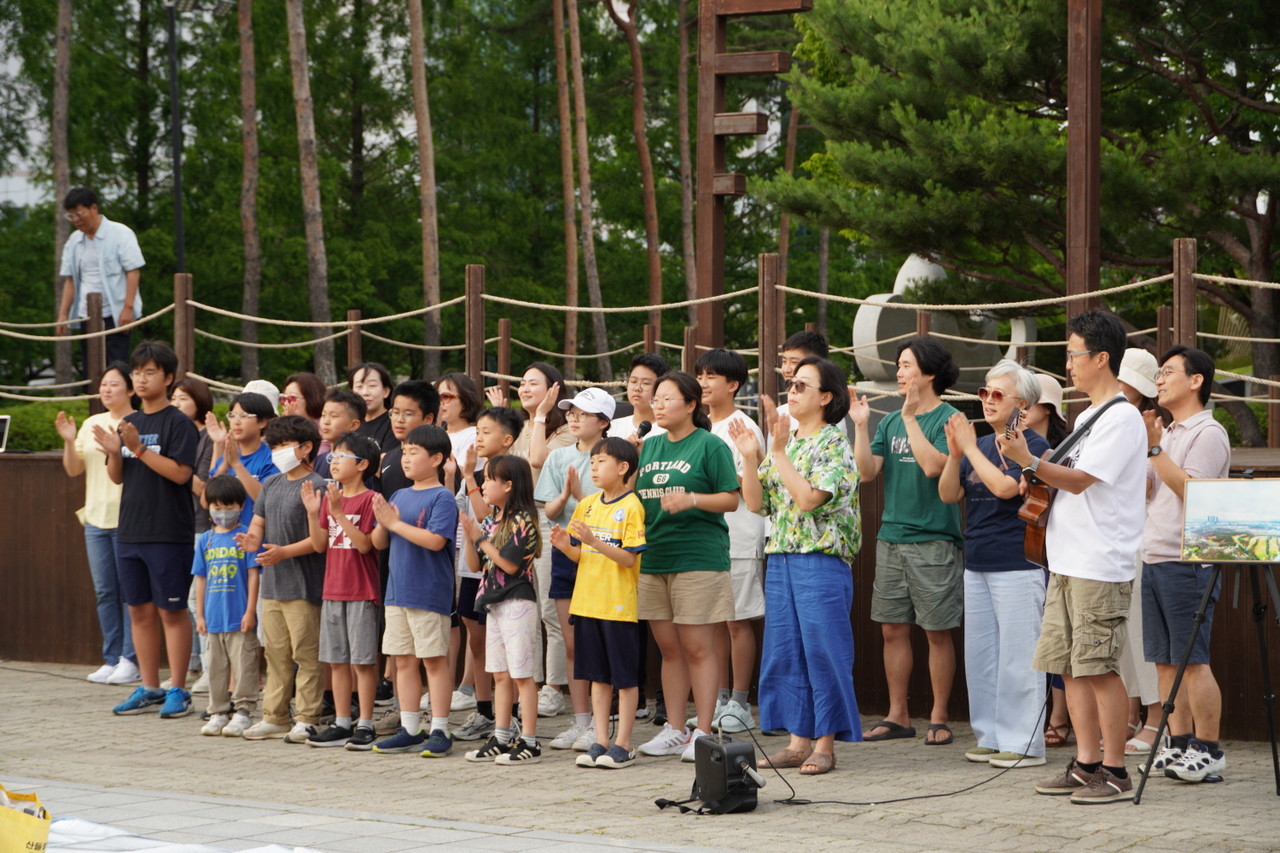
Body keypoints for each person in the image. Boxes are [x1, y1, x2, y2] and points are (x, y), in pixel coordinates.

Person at [998, 309, 1148, 804]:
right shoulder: (1087, 417)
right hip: (1065, 559)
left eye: (1073, 353)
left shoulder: (1123, 417)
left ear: (1100, 357)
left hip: (1100, 562)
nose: (1068, 363)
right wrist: (1034, 472)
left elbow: (1083, 482)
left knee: (1098, 666)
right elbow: (1062, 479)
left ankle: (1116, 770)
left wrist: (1030, 461)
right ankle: (1086, 764)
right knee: (1069, 665)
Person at [734, 357, 863, 776]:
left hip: (820, 561)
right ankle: (797, 741)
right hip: (782, 559)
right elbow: (756, 503)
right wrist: (752, 457)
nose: (793, 389)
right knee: (786, 651)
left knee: (823, 652)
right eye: (792, 384)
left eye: (803, 385)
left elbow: (809, 499)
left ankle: (825, 745)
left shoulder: (833, 444)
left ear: (826, 397)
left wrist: (775, 451)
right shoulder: (784, 444)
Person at [938, 360, 1050, 769]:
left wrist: (968, 448)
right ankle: (991, 734)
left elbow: (1006, 488)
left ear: (1023, 403)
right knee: (982, 655)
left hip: (1018, 562)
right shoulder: (980, 446)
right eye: (984, 393)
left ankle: (1024, 743)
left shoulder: (1033, 445)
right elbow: (949, 494)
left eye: (997, 394)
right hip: (978, 560)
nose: (987, 400)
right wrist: (956, 455)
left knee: (1019, 655)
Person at [851, 336, 963, 745]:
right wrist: (862, 426)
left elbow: (935, 467)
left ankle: (939, 714)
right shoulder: (890, 420)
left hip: (933, 539)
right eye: (897, 366)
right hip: (891, 537)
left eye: (906, 365)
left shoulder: (950, 418)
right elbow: (866, 472)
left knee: (937, 630)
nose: (899, 373)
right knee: (892, 630)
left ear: (929, 373)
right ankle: (897, 714)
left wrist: (913, 418)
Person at [634, 371, 740, 763]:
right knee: (669, 649)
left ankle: (705, 732)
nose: (658, 406)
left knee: (698, 647)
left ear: (691, 405)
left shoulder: (710, 445)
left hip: (699, 558)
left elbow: (731, 499)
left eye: (666, 399)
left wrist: (692, 499)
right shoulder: (648, 446)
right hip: (654, 557)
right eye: (655, 400)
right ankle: (675, 729)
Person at [1140, 345, 1231, 782]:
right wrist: (1147, 448)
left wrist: (1156, 448)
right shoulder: (1168, 431)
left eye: (1168, 372)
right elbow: (1150, 491)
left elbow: (1195, 493)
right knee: (1164, 661)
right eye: (1158, 373)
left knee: (1193, 660)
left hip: (1188, 560)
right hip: (1155, 555)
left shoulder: (1207, 432)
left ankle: (1208, 749)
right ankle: (1176, 746)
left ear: (1196, 381)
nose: (1159, 380)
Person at [97, 342, 199, 719]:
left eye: (150, 372)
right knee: (138, 610)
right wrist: (113, 450)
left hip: (168, 531)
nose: (141, 378)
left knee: (171, 611)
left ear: (168, 378)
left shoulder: (178, 423)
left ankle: (178, 689)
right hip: (130, 530)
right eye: (137, 372)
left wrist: (137, 449)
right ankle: (150, 687)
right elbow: (118, 477)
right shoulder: (131, 423)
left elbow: (181, 474)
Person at [551, 437, 647, 769]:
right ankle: (600, 740)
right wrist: (566, 547)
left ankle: (624, 744)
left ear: (623, 468)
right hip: (587, 603)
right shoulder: (586, 504)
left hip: (618, 606)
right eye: (591, 462)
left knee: (625, 678)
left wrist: (592, 540)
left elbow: (628, 560)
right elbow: (583, 556)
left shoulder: (632, 505)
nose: (593, 468)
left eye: (601, 462)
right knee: (598, 676)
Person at [370, 425, 459, 758]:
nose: (405, 459)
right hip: (397, 592)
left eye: (413, 453)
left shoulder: (442, 497)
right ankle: (410, 727)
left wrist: (395, 524)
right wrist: (383, 522)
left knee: (434, 661)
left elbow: (436, 541)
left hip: (428, 592)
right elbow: (379, 543)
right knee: (403, 660)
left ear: (436, 459)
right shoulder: (399, 495)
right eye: (404, 452)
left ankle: (440, 728)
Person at [237, 416, 327, 744]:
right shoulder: (272, 484)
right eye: (273, 445)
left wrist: (284, 552)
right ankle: (274, 716)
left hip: (304, 586)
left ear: (305, 447)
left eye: (283, 445)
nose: (277, 451)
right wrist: (251, 540)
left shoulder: (317, 484)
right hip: (272, 585)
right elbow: (258, 524)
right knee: (275, 654)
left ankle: (307, 717)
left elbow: (321, 540)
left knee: (306, 654)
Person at [537, 388, 614, 752]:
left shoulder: (615, 457)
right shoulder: (558, 456)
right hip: (566, 553)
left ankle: (603, 723)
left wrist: (582, 495)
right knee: (571, 643)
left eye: (583, 414)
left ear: (603, 422)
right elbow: (549, 512)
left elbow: (614, 508)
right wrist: (567, 496)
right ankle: (581, 721)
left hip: (602, 558)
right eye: (571, 412)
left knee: (599, 640)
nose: (573, 418)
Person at [55, 362, 139, 685]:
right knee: (105, 591)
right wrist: (68, 440)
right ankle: (111, 657)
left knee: (130, 592)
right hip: (94, 519)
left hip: (128, 519)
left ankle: (130, 659)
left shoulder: (137, 423)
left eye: (114, 384)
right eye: (103, 384)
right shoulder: (92, 422)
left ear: (130, 390)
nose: (106, 390)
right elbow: (74, 469)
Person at [695, 348, 766, 732]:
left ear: (733, 385)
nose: (703, 383)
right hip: (707, 539)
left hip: (738, 535)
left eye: (711, 377)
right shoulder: (701, 425)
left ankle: (740, 703)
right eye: (700, 375)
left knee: (738, 623)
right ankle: (719, 699)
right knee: (717, 622)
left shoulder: (745, 427)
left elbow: (749, 487)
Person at [301, 433, 383, 750]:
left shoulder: (371, 500)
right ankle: (341, 721)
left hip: (361, 590)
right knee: (336, 661)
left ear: (362, 465)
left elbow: (364, 545)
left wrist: (336, 512)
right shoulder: (329, 499)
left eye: (341, 457)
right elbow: (320, 545)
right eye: (332, 457)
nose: (333, 462)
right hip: (332, 590)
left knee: (362, 662)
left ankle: (365, 723)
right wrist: (313, 511)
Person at [460, 455, 544, 765]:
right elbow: (473, 565)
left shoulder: (522, 519)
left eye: (489, 480)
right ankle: (502, 735)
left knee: (522, 675)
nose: (483, 485)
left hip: (517, 601)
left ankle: (531, 741)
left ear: (508, 485)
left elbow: (509, 564)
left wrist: (480, 538)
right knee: (500, 675)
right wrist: (472, 538)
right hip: (494, 602)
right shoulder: (491, 520)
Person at [373, 381, 441, 731]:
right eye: (394, 412)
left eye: (408, 413)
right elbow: (381, 523)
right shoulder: (388, 461)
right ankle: (406, 715)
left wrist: (393, 524)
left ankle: (433, 717)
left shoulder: (436, 471)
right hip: (395, 565)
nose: (398, 419)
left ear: (428, 418)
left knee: (431, 651)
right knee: (401, 650)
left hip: (428, 573)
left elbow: (439, 534)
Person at [507, 362, 574, 716]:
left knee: (550, 610)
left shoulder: (563, 433)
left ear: (553, 389)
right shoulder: (522, 427)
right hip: (521, 523)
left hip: (550, 523)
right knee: (525, 610)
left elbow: (535, 461)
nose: (525, 387)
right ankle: (529, 684)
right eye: (522, 381)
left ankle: (554, 687)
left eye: (534, 383)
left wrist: (543, 415)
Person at [453, 406, 523, 744]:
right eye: (477, 431)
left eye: (486, 432)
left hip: (501, 570)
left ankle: (513, 714)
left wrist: (469, 478)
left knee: (505, 646)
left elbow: (485, 518)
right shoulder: (477, 470)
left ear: (507, 439)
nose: (478, 437)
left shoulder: (510, 475)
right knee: (476, 638)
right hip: (473, 566)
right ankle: (483, 710)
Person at [1115, 348, 1165, 755]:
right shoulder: (1114, 415)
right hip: (1123, 534)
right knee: (1127, 633)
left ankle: (1157, 717)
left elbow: (1146, 485)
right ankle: (1133, 711)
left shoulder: (1151, 422)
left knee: (1143, 631)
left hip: (1149, 535)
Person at [192, 475, 262, 738]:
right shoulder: (205, 541)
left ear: (241, 506)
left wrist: (250, 611)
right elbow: (201, 578)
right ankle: (218, 711)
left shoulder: (245, 538)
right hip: (213, 618)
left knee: (244, 665)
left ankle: (243, 711)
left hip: (239, 616)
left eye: (228, 506)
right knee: (215, 667)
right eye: (217, 507)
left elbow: (254, 574)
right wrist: (199, 614)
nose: (222, 512)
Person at [55, 187, 145, 367]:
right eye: (71, 216)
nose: (76, 220)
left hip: (115, 313)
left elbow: (133, 272)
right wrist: (63, 314)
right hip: (85, 315)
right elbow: (70, 280)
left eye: (79, 214)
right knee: (90, 368)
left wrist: (127, 308)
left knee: (117, 367)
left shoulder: (120, 233)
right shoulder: (74, 241)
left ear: (94, 208)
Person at [172, 376, 215, 692]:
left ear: (199, 402)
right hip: (179, 525)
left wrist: (176, 468)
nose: (175, 404)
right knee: (187, 600)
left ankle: (208, 670)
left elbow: (204, 488)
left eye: (182, 398)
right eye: (173, 398)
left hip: (205, 525)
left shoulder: (207, 438)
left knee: (198, 600)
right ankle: (194, 665)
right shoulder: (176, 433)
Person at [205, 392, 279, 528]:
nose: (236, 422)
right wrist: (223, 468)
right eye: (232, 416)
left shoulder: (272, 458)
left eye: (244, 416)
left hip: (259, 541)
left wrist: (237, 465)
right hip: (227, 544)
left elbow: (267, 500)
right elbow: (205, 502)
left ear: (262, 422)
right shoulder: (226, 458)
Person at [609, 353, 670, 441]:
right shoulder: (612, 427)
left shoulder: (668, 432)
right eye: (633, 381)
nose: (637, 388)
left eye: (646, 383)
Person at [316, 389, 366, 480]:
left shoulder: (358, 462)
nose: (326, 421)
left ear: (354, 425)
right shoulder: (319, 460)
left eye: (334, 416)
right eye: (323, 415)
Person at [350, 362, 398, 455]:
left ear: (386, 391)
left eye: (372, 386)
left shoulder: (394, 423)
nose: (365, 392)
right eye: (359, 386)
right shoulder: (349, 424)